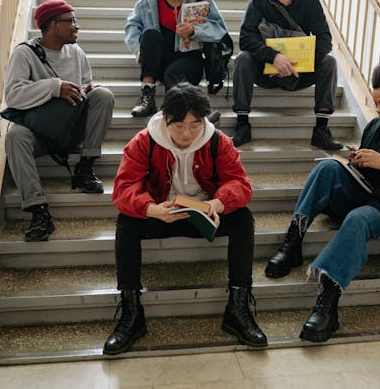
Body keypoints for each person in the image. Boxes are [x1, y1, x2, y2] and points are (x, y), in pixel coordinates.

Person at [264, 60, 380, 343]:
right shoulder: (374, 127)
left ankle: (328, 304)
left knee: (358, 219)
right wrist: (358, 161)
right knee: (327, 167)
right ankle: (293, 241)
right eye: (376, 103)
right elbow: (366, 171)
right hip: (365, 191)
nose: (378, 109)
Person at [104, 83, 267, 355]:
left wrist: (217, 203)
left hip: (202, 213)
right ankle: (132, 313)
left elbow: (240, 184)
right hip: (162, 212)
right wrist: (152, 209)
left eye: (195, 125)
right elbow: (123, 190)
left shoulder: (218, 141)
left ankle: (237, 308)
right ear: (165, 118)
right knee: (127, 222)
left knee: (242, 219)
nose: (187, 133)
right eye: (178, 125)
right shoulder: (144, 141)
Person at [4, 0, 115, 242]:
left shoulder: (76, 52)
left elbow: (85, 83)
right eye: (71, 21)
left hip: (72, 128)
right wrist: (54, 87)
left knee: (103, 95)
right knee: (14, 136)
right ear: (53, 25)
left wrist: (89, 89)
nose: (77, 26)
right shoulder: (24, 54)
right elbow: (12, 95)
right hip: (40, 131)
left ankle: (85, 167)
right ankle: (38, 211)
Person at [231, 0, 342, 151]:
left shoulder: (310, 2)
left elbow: (325, 41)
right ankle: (242, 125)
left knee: (329, 62)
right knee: (242, 59)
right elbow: (246, 38)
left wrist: (292, 64)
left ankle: (321, 130)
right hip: (266, 71)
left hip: (298, 72)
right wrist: (274, 58)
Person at [125, 0, 227, 119]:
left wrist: (195, 30)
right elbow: (132, 26)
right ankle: (147, 98)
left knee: (173, 74)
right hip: (161, 57)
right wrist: (138, 50)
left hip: (190, 58)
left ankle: (202, 112)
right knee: (149, 34)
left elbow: (218, 27)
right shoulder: (149, 1)